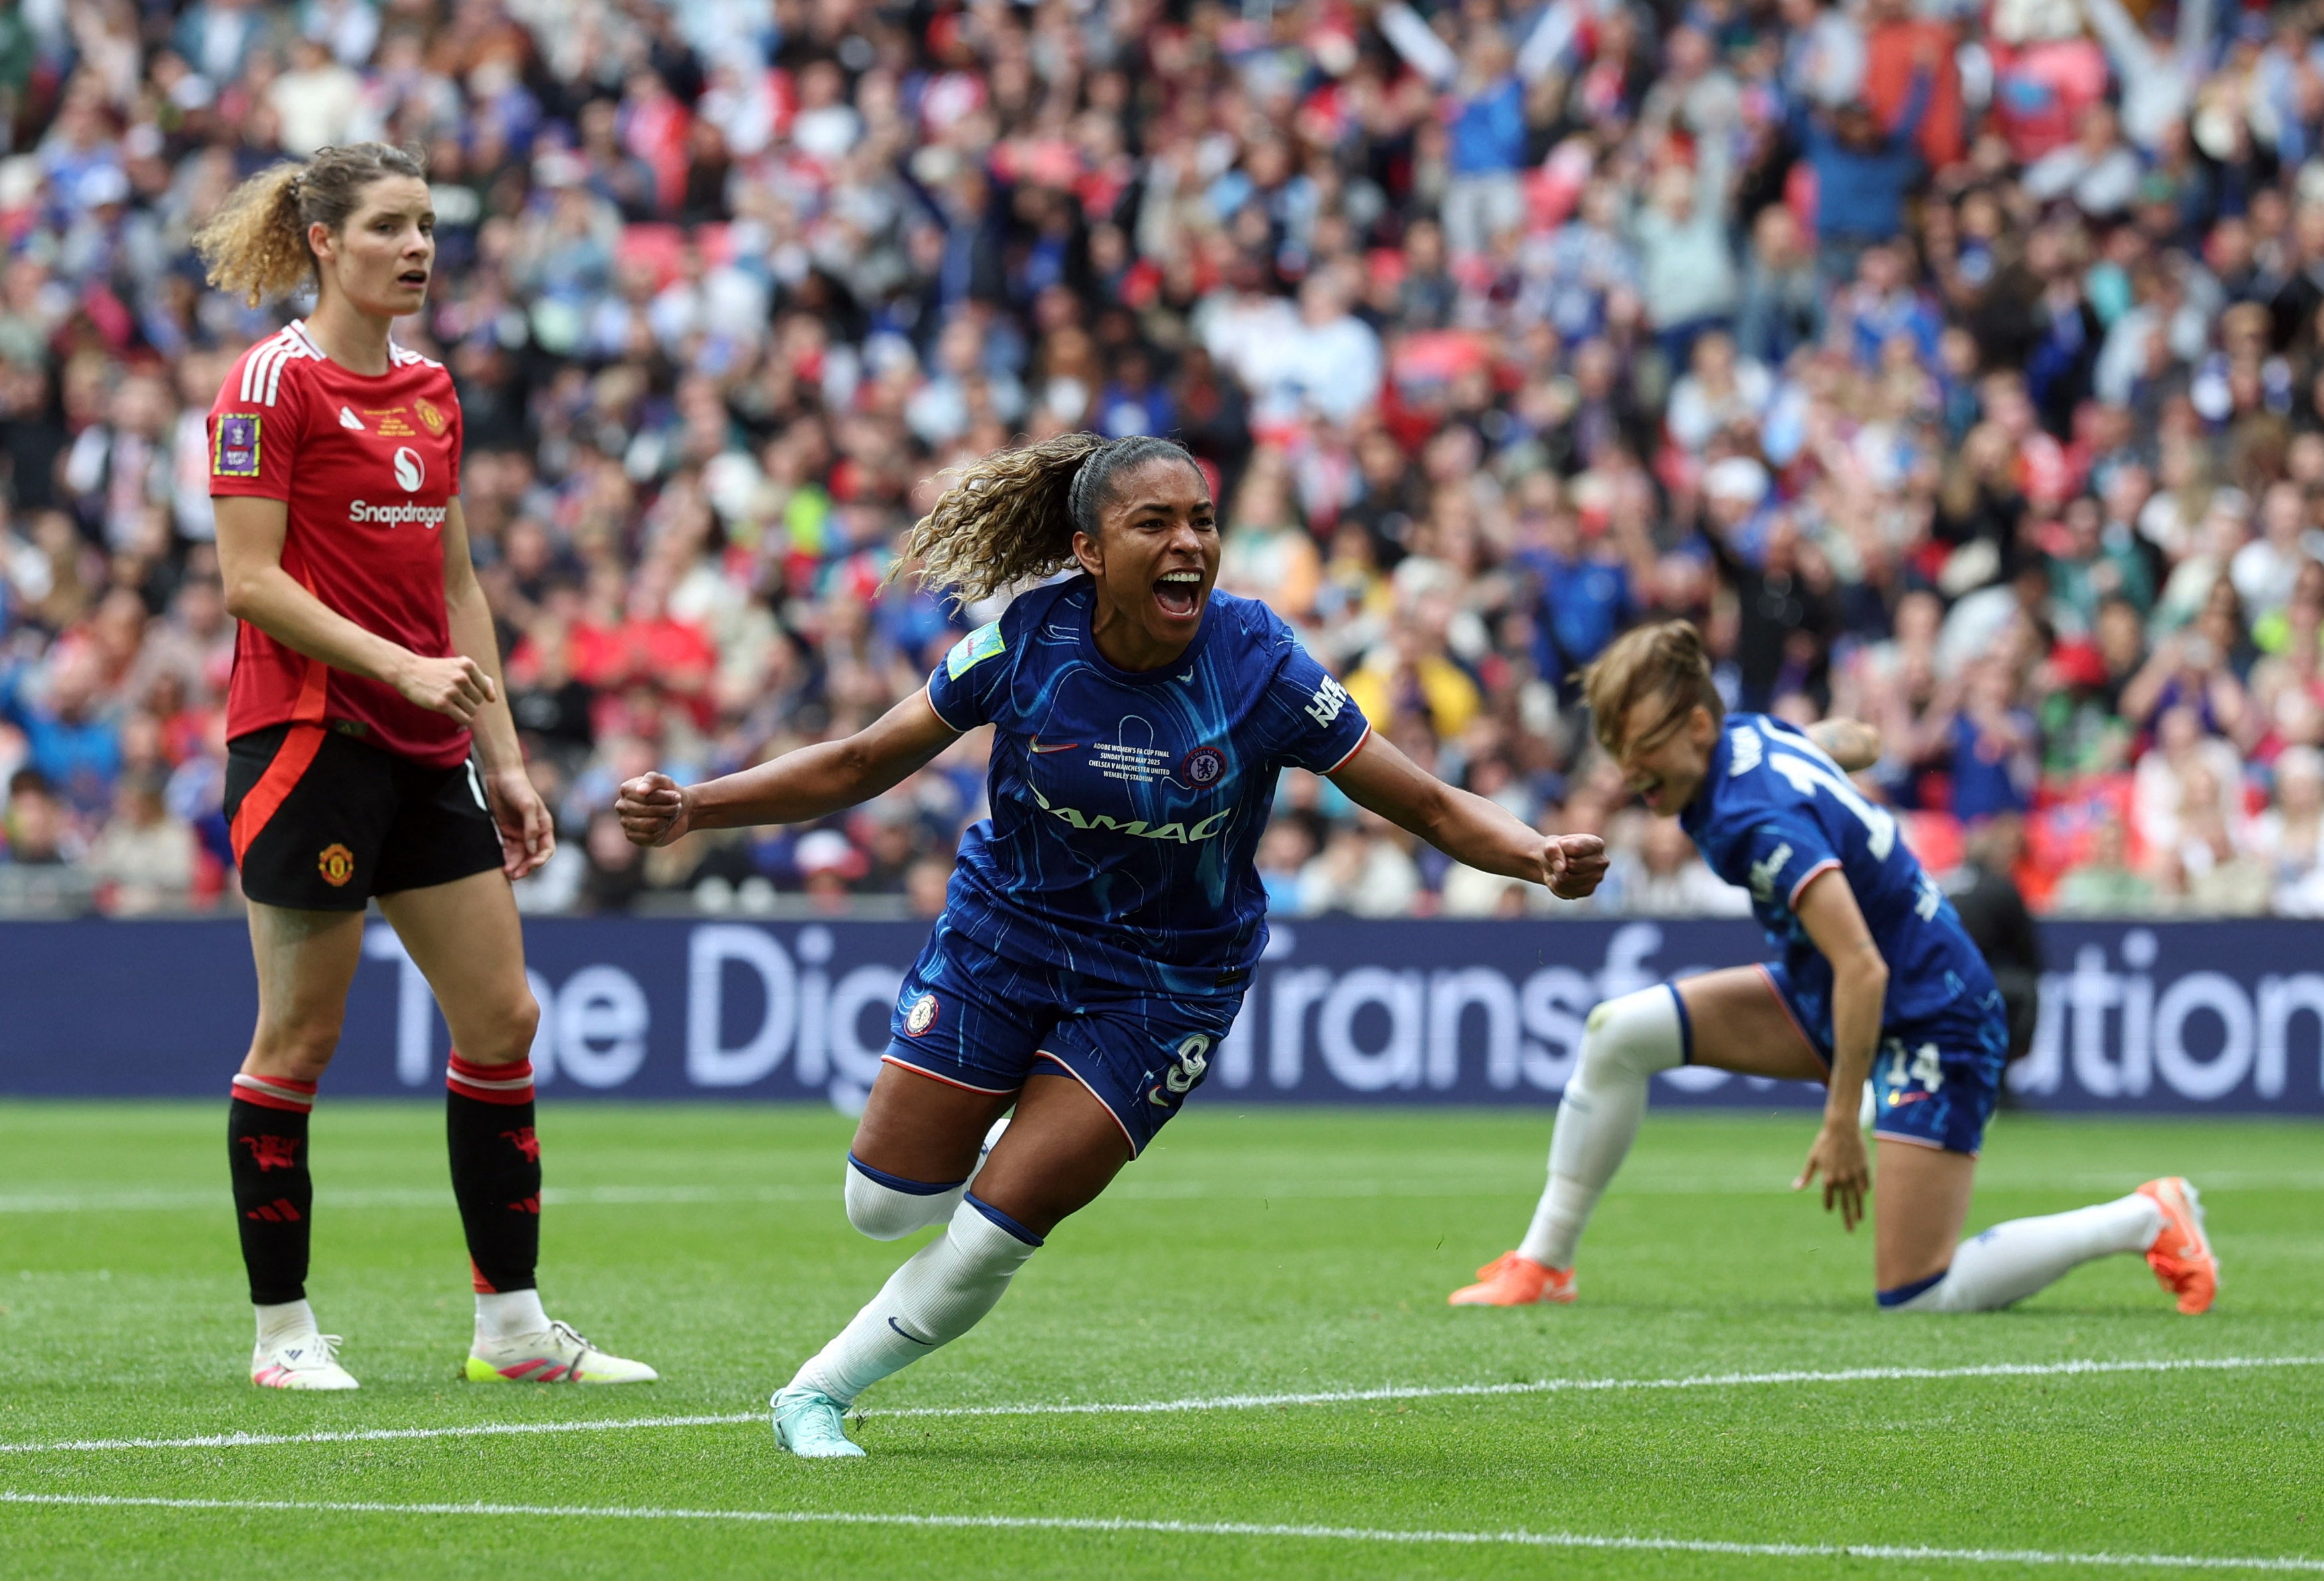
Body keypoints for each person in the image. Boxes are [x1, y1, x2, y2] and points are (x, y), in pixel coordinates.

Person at [617, 432, 1610, 1457]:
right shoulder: (1027, 639)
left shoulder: (1259, 662)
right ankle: (1007, 1135)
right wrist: (696, 804)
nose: (1188, 544)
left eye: (1202, 522)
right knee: (880, 1205)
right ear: (1089, 551)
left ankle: (814, 1394)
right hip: (1004, 936)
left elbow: (1431, 805)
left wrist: (1534, 855)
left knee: (1000, 1224)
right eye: (1155, 523)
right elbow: (867, 758)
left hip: (1164, 984)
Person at [195, 143, 654, 1390]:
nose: (418, 248)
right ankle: (281, 1337)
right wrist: (395, 671)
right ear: (323, 241)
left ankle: (511, 1329)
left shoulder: (433, 388)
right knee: (300, 1037)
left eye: (429, 226)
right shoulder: (268, 385)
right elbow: (247, 580)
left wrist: (503, 758)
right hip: (305, 741)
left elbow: (455, 586)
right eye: (392, 225)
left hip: (425, 747)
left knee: (503, 1018)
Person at [1449, 621, 2217, 1317]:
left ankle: (2147, 1217)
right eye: (1617, 747)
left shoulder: (1754, 819)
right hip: (1827, 987)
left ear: (1696, 726)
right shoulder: (1745, 740)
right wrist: (1812, 750)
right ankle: (1544, 1264)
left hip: (1930, 1014)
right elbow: (1861, 740)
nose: (1628, 768)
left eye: (1642, 744)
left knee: (1919, 1295)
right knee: (1617, 1034)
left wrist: (1842, 1119)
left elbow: (1865, 966)